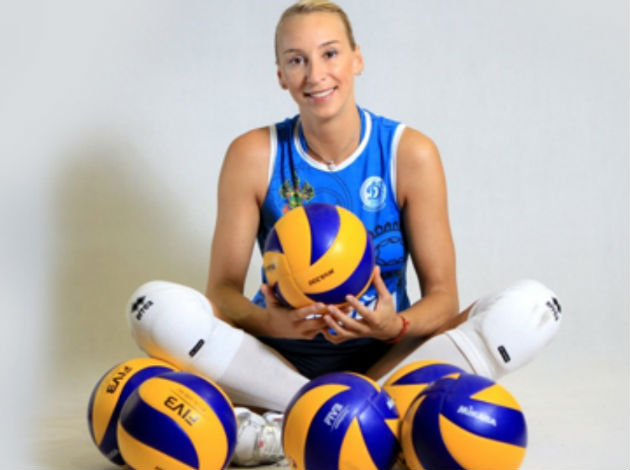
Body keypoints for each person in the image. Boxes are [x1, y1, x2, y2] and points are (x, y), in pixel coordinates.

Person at [125, 1, 562, 466]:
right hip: (275, 360)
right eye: (297, 60)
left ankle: (301, 423)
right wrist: (272, 323)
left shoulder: (409, 153)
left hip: (388, 358)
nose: (316, 74)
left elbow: (442, 297)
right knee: (154, 308)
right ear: (280, 75)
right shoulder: (253, 155)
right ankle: (344, 418)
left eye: (330, 53)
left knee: (533, 308)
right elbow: (222, 292)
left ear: (357, 59)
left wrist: (395, 326)